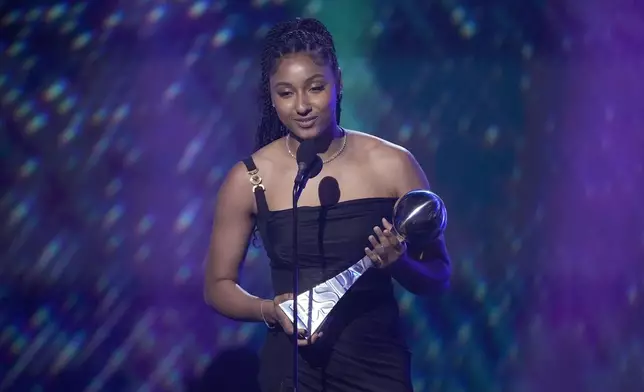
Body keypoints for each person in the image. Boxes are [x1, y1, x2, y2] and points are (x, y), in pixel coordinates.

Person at [204, 17, 451, 392]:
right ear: (271, 96)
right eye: (286, 93)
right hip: (291, 371)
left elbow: (439, 275)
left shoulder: (392, 163)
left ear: (337, 80)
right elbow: (218, 286)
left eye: (315, 88)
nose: (302, 105)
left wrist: (399, 263)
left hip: (375, 368)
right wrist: (271, 310)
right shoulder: (250, 177)